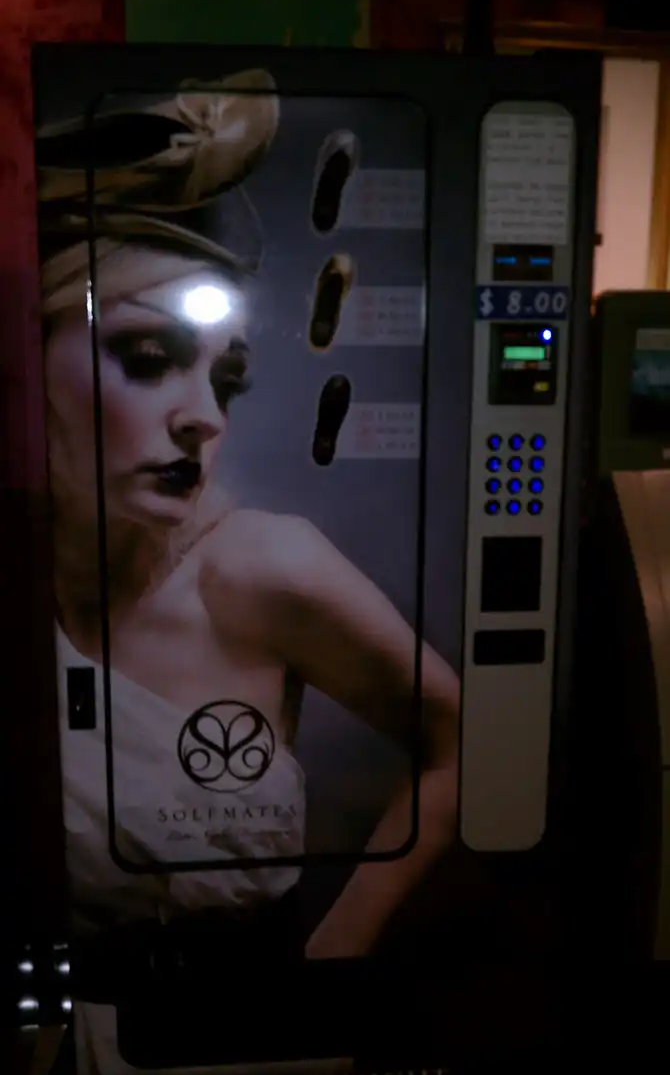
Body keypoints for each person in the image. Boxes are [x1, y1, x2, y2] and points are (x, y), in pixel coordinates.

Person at [37, 69, 460, 972]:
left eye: (225, 379)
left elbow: (468, 741)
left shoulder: (260, 568)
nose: (206, 417)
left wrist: (333, 955)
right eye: (148, 357)